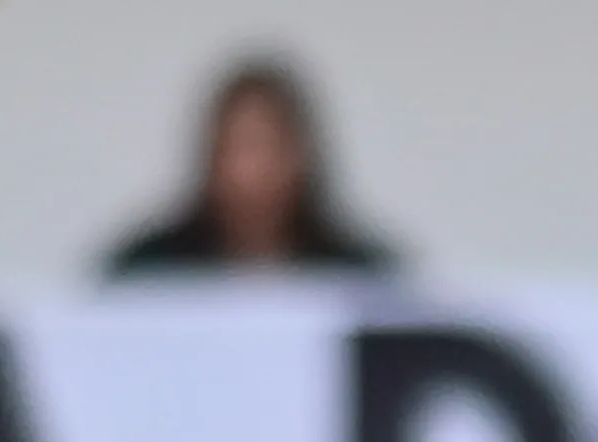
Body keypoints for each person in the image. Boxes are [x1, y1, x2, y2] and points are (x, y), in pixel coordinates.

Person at [100, 57, 394, 278]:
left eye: (269, 147)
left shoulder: (361, 273)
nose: (253, 170)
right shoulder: (149, 270)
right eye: (237, 147)